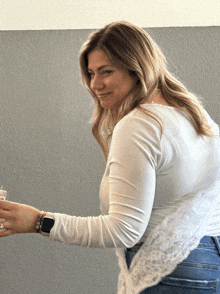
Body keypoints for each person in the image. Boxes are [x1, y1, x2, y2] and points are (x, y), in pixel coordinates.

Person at [0, 21, 220, 294]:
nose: (95, 84)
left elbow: (125, 230)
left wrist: (38, 221)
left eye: (107, 72)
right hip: (209, 265)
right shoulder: (193, 115)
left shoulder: (140, 123)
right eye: (91, 73)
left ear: (137, 68)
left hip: (169, 274)